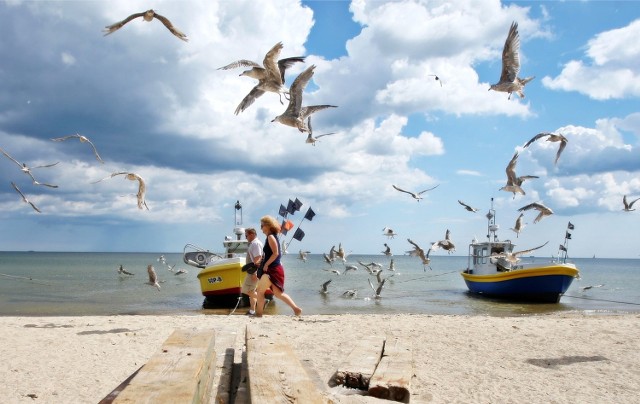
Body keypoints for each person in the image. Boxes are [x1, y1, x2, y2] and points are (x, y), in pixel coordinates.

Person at [255, 215, 302, 317]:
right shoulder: (271, 237)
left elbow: (276, 253)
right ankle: (296, 309)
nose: (261, 228)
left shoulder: (270, 237)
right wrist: (262, 261)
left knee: (260, 291)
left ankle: (258, 314)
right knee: (277, 294)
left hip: (272, 270)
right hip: (275, 269)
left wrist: (266, 264)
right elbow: (272, 254)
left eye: (262, 225)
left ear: (267, 225)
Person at [241, 227, 263, 315]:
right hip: (252, 271)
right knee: (252, 291)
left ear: (252, 234)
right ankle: (252, 310)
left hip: (252, 272)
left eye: (246, 235)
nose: (246, 237)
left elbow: (258, 259)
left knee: (247, 290)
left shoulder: (255, 244)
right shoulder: (254, 243)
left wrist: (254, 273)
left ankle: (262, 300)